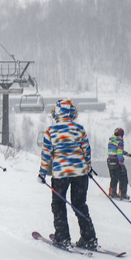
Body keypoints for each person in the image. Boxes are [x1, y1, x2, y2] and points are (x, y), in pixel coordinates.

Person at [38, 99, 97, 249]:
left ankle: (62, 237)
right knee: (79, 204)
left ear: (56, 112)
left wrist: (42, 173)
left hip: (61, 174)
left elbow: (46, 155)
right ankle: (89, 238)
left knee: (58, 204)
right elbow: (86, 151)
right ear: (72, 113)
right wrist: (88, 167)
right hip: (80, 172)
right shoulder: (79, 129)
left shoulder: (50, 131)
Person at [107, 128, 131, 199]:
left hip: (110, 162)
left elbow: (119, 150)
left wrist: (129, 154)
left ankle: (112, 192)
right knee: (123, 178)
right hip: (117, 162)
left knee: (114, 178)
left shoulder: (111, 141)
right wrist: (121, 164)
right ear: (121, 135)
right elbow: (119, 153)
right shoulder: (119, 142)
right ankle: (122, 194)